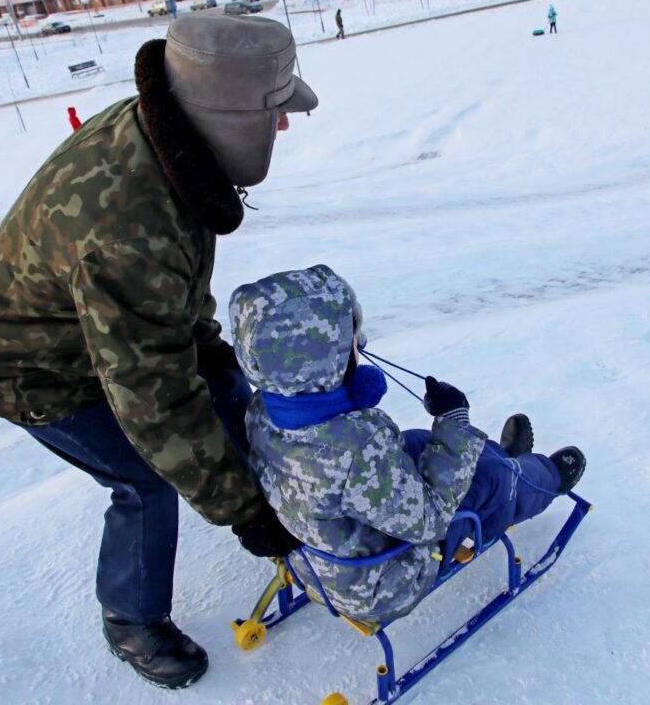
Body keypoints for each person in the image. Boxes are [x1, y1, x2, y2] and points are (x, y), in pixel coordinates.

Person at [0, 14, 318, 690]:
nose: (284, 126)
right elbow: (154, 403)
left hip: (100, 323)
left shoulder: (166, 134)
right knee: (144, 480)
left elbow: (167, 296)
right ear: (226, 115)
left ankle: (296, 512)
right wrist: (244, 513)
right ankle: (131, 621)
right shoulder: (127, 232)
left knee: (228, 395)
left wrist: (211, 355)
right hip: (26, 365)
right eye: (275, 113)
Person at [228, 265, 587, 624]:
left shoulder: (263, 409)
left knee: (417, 442)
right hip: (381, 581)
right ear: (322, 359)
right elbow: (430, 520)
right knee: (490, 479)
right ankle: (544, 478)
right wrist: (455, 421)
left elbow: (335, 464)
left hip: (313, 554)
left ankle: (503, 460)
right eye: (351, 342)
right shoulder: (359, 448)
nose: (360, 347)